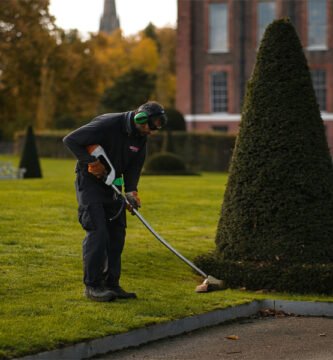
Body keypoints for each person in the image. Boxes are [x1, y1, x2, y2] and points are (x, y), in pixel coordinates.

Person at [63, 101, 167, 302]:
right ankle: (93, 286)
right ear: (140, 118)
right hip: (90, 183)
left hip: (113, 183)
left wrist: (132, 192)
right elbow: (70, 140)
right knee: (98, 231)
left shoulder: (141, 137)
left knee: (117, 233)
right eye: (151, 126)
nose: (151, 132)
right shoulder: (108, 123)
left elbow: (134, 167)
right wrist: (92, 162)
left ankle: (112, 284)